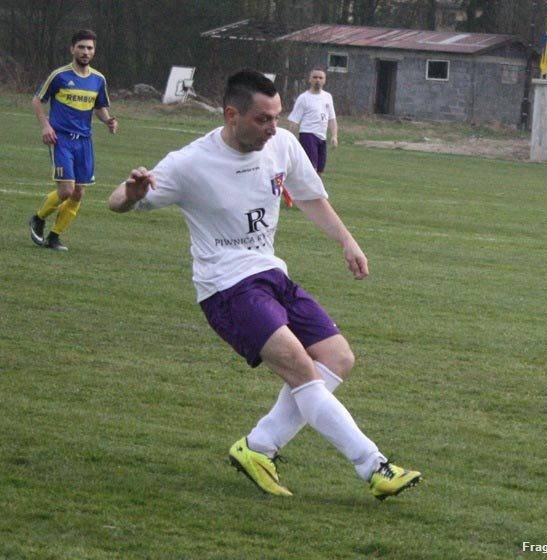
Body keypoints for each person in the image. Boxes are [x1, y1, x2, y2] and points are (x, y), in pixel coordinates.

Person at [106, 70, 421, 500]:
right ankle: (374, 467)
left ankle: (258, 448)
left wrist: (347, 241)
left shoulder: (283, 145)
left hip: (271, 275)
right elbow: (116, 203)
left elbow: (310, 197)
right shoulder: (190, 163)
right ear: (232, 115)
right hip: (226, 288)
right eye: (262, 119)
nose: (273, 128)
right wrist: (132, 191)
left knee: (338, 357)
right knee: (303, 370)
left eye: (276, 117)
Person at [28, 29, 118, 251]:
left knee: (79, 192)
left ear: (94, 51)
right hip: (62, 140)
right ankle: (38, 218)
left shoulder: (98, 79)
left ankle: (54, 236)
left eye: (89, 48)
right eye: (81, 47)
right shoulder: (59, 75)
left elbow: (100, 106)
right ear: (72, 49)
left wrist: (108, 121)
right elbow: (37, 101)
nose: (85, 52)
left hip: (84, 141)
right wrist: (46, 126)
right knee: (66, 190)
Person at [287, 69, 338, 177]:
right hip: (308, 135)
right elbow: (294, 120)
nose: (317, 80)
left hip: (322, 137)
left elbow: (332, 119)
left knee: (319, 170)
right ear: (310, 79)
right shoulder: (303, 98)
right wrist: (289, 139)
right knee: (311, 169)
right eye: (315, 77)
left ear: (324, 80)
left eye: (320, 78)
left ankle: (314, 192)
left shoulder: (328, 97)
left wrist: (334, 136)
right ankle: (307, 192)